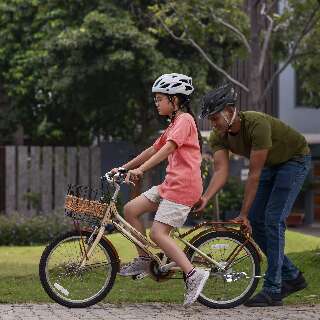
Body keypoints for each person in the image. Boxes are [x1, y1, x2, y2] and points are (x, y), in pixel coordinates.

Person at [195, 84, 311, 307]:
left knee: (273, 220)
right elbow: (221, 171)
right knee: (256, 225)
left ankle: (273, 290)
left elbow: (254, 175)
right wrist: (206, 198)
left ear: (229, 111)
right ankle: (293, 277)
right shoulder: (219, 137)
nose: (213, 124)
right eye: (210, 120)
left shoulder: (256, 124)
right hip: (270, 165)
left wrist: (243, 213)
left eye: (215, 117)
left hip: (294, 160)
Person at [110, 73, 208, 307]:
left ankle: (193, 275)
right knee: (131, 209)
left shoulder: (185, 120)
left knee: (158, 233)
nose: (156, 103)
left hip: (183, 188)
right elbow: (153, 149)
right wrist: (123, 168)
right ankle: (145, 259)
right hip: (170, 185)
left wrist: (141, 170)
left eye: (160, 98)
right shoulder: (174, 123)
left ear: (175, 100)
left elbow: (168, 149)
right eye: (156, 99)